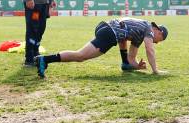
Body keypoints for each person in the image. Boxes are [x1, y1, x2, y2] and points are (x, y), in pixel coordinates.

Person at [34, 18, 168, 79]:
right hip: (110, 32)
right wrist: (155, 70)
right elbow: (149, 50)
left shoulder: (139, 32)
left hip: (106, 28)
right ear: (157, 30)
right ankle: (44, 60)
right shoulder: (148, 29)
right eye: (159, 40)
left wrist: (134, 66)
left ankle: (44, 60)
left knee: (80, 56)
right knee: (80, 56)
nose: (155, 43)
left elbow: (131, 57)